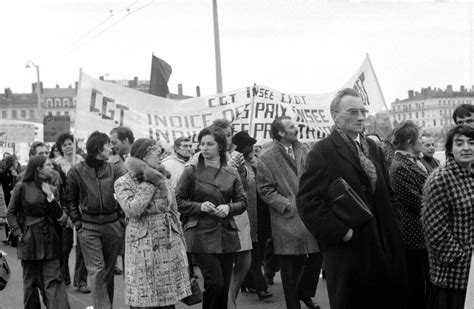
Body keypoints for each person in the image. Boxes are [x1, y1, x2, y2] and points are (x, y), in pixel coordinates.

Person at [296, 88, 407, 309]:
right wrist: (342, 233)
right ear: (335, 115)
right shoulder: (322, 151)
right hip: (350, 254)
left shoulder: (372, 148)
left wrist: (394, 225)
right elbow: (308, 203)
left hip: (384, 246)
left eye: (363, 111)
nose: (360, 117)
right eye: (352, 112)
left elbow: (388, 192)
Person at [114, 138, 191, 308]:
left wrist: (182, 244)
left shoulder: (162, 176)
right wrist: (150, 181)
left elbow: (173, 210)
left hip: (168, 240)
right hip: (143, 243)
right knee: (145, 298)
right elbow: (132, 209)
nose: (161, 156)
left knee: (167, 299)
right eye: (157, 152)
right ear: (144, 155)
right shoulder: (123, 182)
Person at [176, 126, 248, 309]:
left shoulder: (231, 171)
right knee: (215, 284)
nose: (204, 148)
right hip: (200, 232)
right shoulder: (191, 171)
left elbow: (242, 201)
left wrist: (228, 208)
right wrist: (200, 206)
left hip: (226, 232)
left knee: (223, 288)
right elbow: (177, 201)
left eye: (210, 144)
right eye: (202, 144)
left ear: (220, 146)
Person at [257, 116, 322, 309]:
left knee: (317, 255)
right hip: (286, 218)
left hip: (308, 214)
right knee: (290, 268)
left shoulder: (304, 149)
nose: (297, 128)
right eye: (292, 126)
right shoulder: (266, 156)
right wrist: (287, 205)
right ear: (280, 133)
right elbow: (265, 189)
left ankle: (304, 292)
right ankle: (294, 305)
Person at [66, 131, 125, 309]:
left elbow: (123, 195)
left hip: (112, 225)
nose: (111, 148)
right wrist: (78, 224)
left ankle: (107, 305)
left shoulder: (114, 168)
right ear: (98, 148)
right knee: (97, 270)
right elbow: (70, 200)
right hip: (89, 226)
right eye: (107, 145)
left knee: (107, 271)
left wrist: (121, 220)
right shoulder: (76, 170)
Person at [421, 124, 474, 309]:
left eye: (471, 142)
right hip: (454, 276)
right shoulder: (440, 179)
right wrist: (462, 259)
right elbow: (435, 232)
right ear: (450, 149)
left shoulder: (470, 175)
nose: (466, 147)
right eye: (459, 143)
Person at [6, 155, 70, 308]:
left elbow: (60, 217)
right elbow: (11, 212)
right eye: (48, 165)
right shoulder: (21, 187)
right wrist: (19, 234)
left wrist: (51, 197)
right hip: (28, 239)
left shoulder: (51, 188)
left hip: (50, 240)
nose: (52, 167)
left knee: (53, 280)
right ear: (38, 169)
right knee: (30, 284)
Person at [210, 119, 253, 309]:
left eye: (229, 135)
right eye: (224, 135)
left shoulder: (237, 155)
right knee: (222, 268)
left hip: (238, 214)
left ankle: (231, 296)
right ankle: (228, 302)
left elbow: (248, 186)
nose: (228, 139)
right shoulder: (204, 156)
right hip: (217, 216)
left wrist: (242, 170)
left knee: (245, 259)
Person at [390, 121, 429, 309]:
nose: (422, 141)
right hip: (413, 236)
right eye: (420, 138)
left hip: (423, 233)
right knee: (416, 284)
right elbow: (415, 201)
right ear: (409, 141)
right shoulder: (399, 167)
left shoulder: (415, 161)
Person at [232, 131, 273, 301]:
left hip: (261, 212)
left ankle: (247, 282)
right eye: (249, 145)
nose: (252, 148)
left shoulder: (255, 161)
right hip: (247, 212)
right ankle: (260, 286)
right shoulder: (236, 163)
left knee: (258, 250)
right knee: (252, 251)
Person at [54, 132, 90, 293]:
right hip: (65, 210)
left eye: (70, 143)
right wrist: (65, 213)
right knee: (65, 246)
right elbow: (57, 191)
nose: (68, 146)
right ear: (61, 148)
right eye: (65, 145)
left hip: (83, 209)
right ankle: (63, 277)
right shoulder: (55, 165)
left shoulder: (84, 163)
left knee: (82, 247)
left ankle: (80, 281)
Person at [109, 126, 135, 276]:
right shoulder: (112, 163)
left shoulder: (145, 158)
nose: (112, 146)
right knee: (129, 264)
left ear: (126, 140)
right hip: (122, 219)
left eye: (114, 142)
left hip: (143, 216)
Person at [0, 155, 18, 246]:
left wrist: (16, 176)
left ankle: (14, 236)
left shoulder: (17, 172)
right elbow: (4, 187)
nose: (17, 163)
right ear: (12, 163)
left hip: (17, 198)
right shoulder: (3, 173)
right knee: (9, 216)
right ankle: (9, 237)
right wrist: (9, 191)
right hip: (8, 198)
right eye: (16, 162)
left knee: (16, 216)